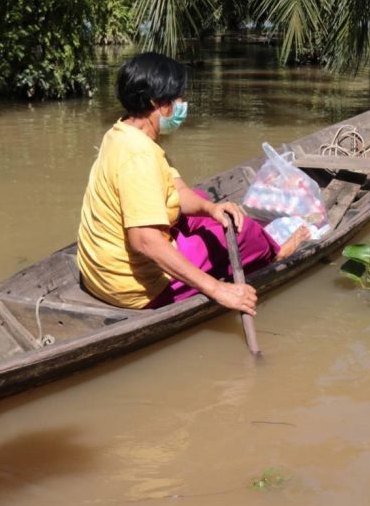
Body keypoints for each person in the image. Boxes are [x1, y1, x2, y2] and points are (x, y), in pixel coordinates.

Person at [77, 52, 307, 315]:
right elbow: (144, 241)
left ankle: (250, 245)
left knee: (202, 200)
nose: (182, 104)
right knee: (243, 233)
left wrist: (210, 209)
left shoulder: (122, 132)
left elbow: (179, 191)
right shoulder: (139, 156)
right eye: (178, 98)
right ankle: (273, 255)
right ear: (158, 104)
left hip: (99, 272)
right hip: (133, 288)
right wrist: (217, 289)